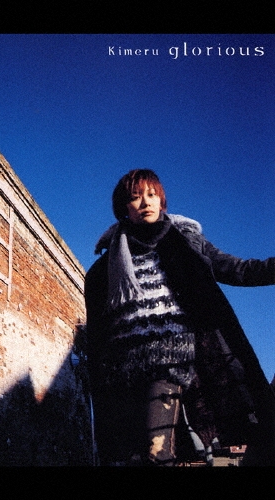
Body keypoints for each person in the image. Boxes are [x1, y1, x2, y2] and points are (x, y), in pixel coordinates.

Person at [84, 169, 275, 466]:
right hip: (124, 372)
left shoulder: (186, 242)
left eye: (152, 195)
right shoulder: (105, 265)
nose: (145, 202)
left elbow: (238, 269)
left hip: (170, 362)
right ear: (124, 208)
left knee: (156, 451)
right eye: (135, 197)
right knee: (131, 457)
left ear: (161, 201)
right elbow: (98, 331)